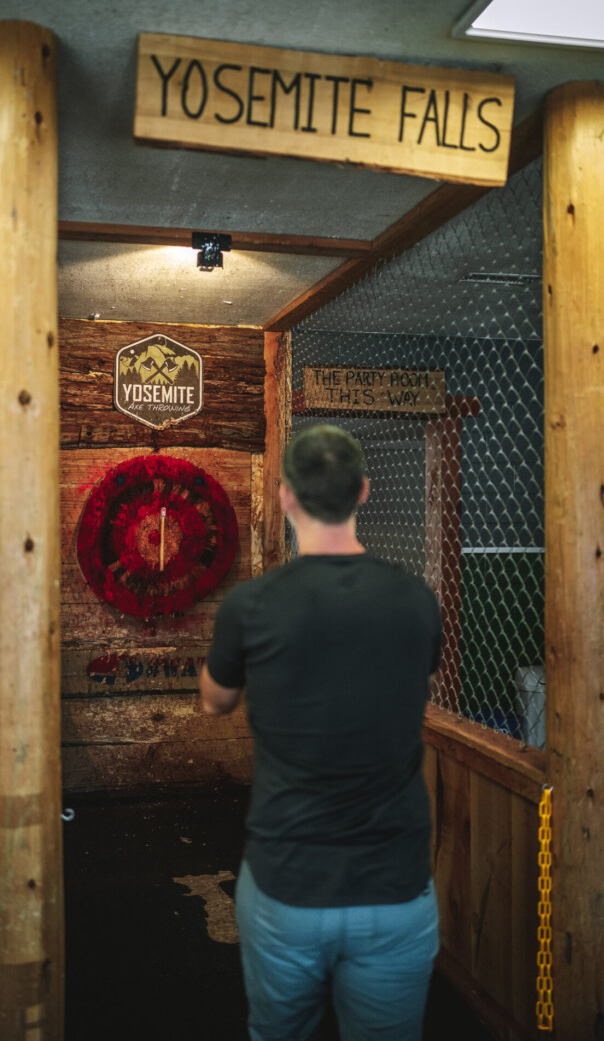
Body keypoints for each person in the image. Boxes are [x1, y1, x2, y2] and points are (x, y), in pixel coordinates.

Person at [199, 424, 442, 1041]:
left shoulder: (250, 605)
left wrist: (233, 659)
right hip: (394, 885)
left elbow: (215, 702)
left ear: (284, 496)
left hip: (289, 883)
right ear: (363, 491)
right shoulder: (415, 598)